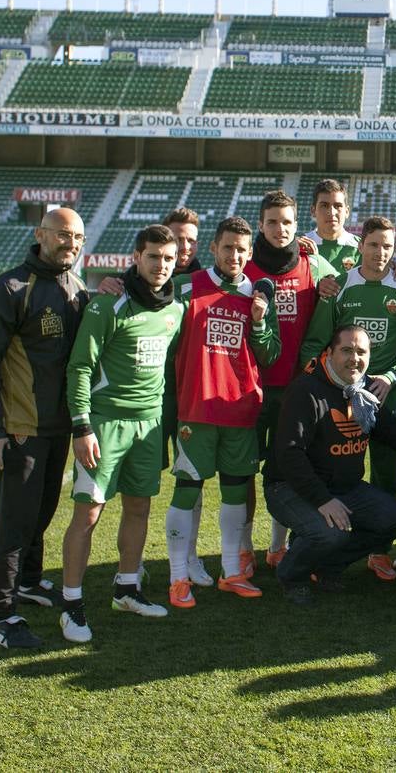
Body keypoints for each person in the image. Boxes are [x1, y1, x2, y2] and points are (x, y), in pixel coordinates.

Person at [58, 225, 183, 643]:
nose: (161, 265)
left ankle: (127, 588)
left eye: (168, 258)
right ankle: (71, 604)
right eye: (153, 257)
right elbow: (79, 368)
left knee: (139, 509)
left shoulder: (175, 309)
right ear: (136, 256)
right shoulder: (109, 303)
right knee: (88, 513)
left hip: (149, 427)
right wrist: (82, 426)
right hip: (106, 424)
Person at [0, 207, 89, 649]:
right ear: (40, 234)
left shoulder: (77, 288)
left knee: (42, 513)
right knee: (14, 523)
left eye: (77, 237)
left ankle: (30, 581)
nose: (70, 244)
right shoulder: (10, 288)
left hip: (61, 427)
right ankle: (0, 616)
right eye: (62, 235)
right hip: (21, 427)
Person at [298, 215, 396, 581]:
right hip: (339, 398)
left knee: (387, 471)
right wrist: (326, 387)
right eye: (373, 244)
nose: (380, 252)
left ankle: (378, 551)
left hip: (384, 396)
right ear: (361, 246)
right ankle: (318, 541)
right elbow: (317, 342)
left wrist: (392, 376)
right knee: (333, 469)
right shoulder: (338, 286)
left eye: (388, 246)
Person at [164, 216, 281, 609]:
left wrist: (261, 321)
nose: (234, 255)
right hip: (196, 410)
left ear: (250, 254)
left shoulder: (258, 296)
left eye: (241, 250)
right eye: (227, 247)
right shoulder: (187, 288)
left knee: (235, 493)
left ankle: (231, 571)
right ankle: (178, 577)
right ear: (214, 249)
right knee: (187, 491)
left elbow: (270, 354)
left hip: (241, 409)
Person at [264, 325, 396, 607]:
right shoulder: (305, 389)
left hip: (343, 487)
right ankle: (292, 575)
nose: (354, 358)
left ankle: (327, 566)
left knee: (394, 518)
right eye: (347, 350)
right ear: (330, 352)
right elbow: (289, 455)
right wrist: (322, 500)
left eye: (361, 352)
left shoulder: (364, 390)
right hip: (289, 487)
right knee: (328, 533)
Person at [244, 190, 338, 573]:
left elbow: (332, 287)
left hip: (298, 389)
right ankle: (241, 549)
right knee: (244, 471)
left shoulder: (311, 264)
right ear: (260, 225)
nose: (280, 229)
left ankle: (278, 546)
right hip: (250, 388)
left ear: (297, 226)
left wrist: (329, 282)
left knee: (290, 467)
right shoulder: (245, 267)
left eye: (286, 222)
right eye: (272, 222)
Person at [306, 177, 362, 274]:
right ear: (313, 211)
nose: (332, 212)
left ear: (347, 211)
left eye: (338, 206)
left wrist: (395, 268)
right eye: (324, 206)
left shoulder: (361, 248)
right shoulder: (301, 247)